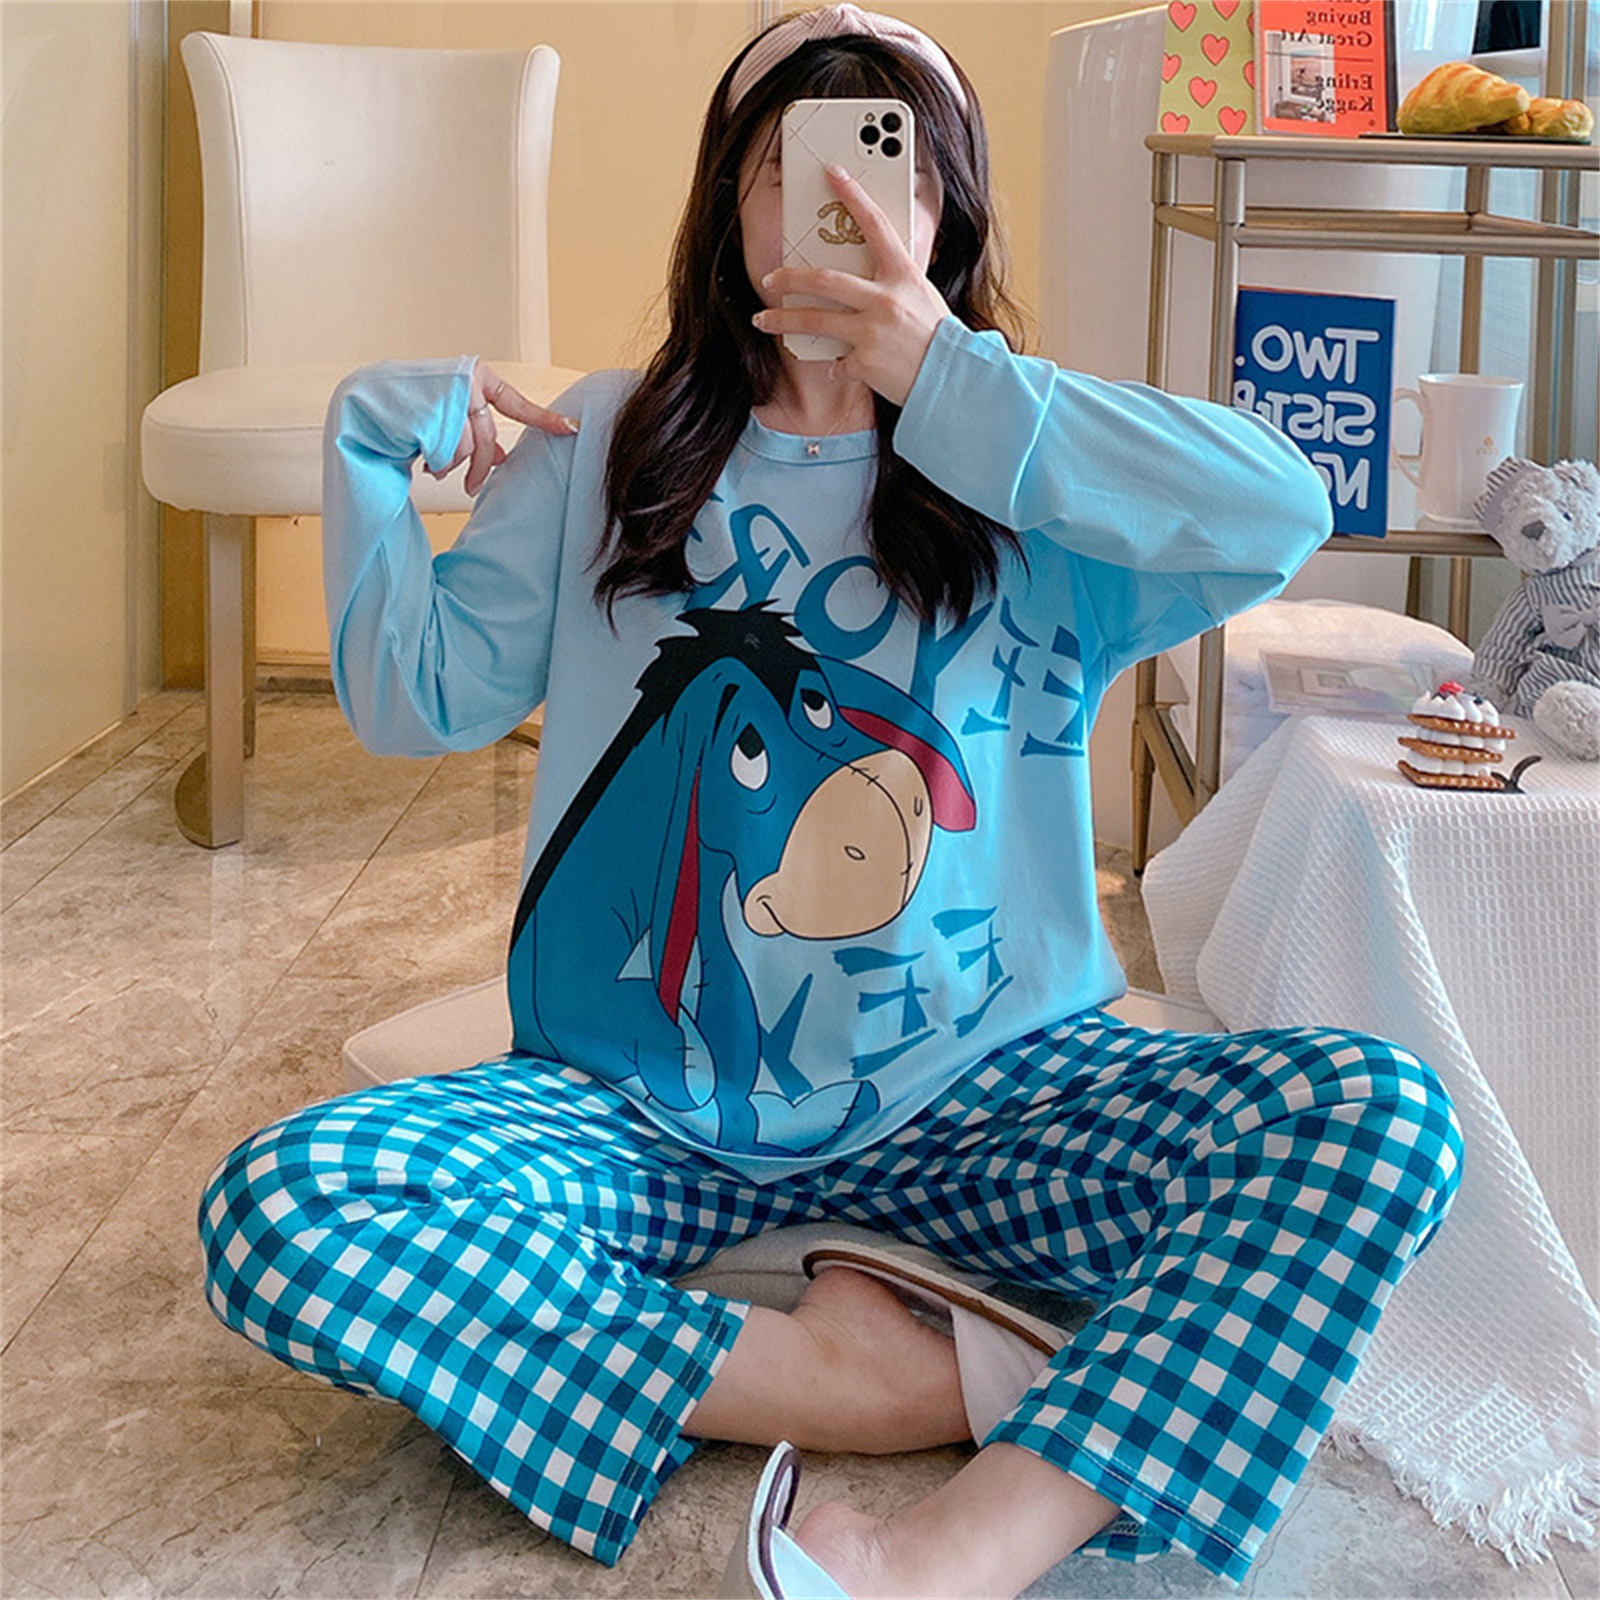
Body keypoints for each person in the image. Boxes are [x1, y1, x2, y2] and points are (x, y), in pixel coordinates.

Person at [198, 7, 1461, 1596]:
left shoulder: (1031, 471)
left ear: (950, 218)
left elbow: (1281, 507)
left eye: (898, 171)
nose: (849, 206)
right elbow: (416, 702)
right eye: (796, 166)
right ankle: (850, 1383)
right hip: (640, 1115)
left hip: (992, 1097)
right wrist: (370, 455)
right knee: (288, 1208)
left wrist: (950, 381)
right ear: (729, 205)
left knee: (1376, 1120)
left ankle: (970, 1542)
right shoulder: (608, 450)